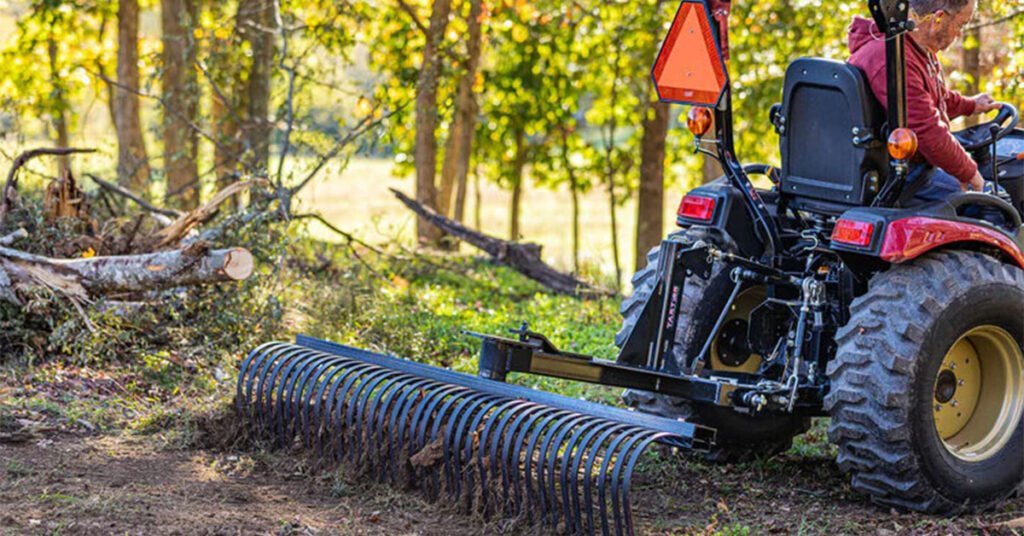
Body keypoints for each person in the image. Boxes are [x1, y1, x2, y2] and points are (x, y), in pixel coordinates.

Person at [847, 0, 1002, 204]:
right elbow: (928, 131)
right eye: (961, 25)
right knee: (990, 203)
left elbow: (930, 100)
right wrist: (972, 176)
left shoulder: (914, 47)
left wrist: (971, 105)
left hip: (913, 162)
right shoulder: (890, 59)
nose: (960, 35)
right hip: (899, 174)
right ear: (938, 19)